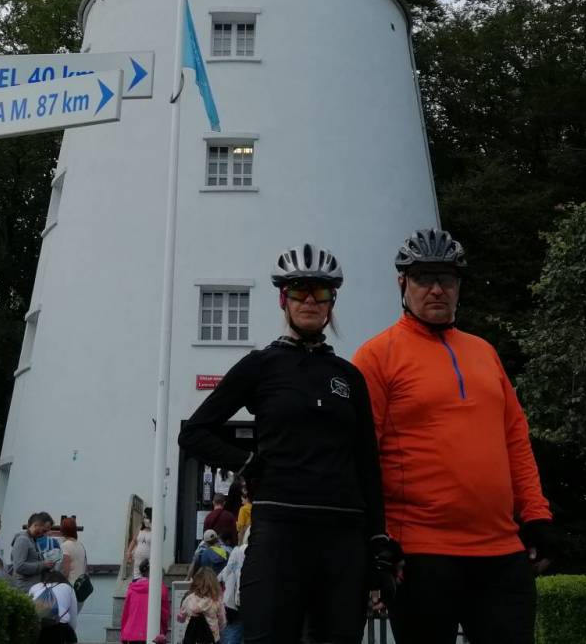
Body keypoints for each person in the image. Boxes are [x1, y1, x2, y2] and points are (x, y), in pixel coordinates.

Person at [179, 244, 391, 644]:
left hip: (343, 536)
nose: (310, 300)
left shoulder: (348, 376)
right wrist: (248, 463)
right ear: (283, 298)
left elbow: (367, 462)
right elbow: (194, 433)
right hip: (280, 531)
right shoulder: (261, 365)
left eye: (320, 291)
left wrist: (378, 539)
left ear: (332, 301)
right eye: (299, 290)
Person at [352, 229, 554, 644]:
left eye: (446, 278)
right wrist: (374, 538)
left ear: (459, 286)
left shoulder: (484, 352)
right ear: (402, 283)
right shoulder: (376, 356)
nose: (436, 289)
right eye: (424, 277)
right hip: (420, 550)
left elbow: (515, 440)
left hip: (501, 550)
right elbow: (360, 456)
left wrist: (536, 516)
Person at [120, 559, 171, 644]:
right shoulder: (161, 588)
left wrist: (123, 635)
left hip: (132, 634)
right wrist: (163, 631)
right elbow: (164, 614)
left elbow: (126, 613)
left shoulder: (132, 589)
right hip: (153, 633)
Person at [177, 566, 227, 644]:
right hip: (211, 639)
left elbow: (181, 619)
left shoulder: (188, 599)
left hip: (192, 639)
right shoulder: (216, 601)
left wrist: (183, 617)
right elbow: (222, 621)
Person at [30, 567, 81, 643]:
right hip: (59, 627)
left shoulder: (35, 587)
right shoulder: (67, 587)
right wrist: (71, 633)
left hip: (37, 625)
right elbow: (73, 616)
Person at [9, 513, 61, 587]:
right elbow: (19, 566)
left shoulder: (32, 540)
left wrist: (45, 558)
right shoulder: (22, 540)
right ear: (36, 525)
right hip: (23, 587)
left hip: (30, 586)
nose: (44, 534)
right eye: (44, 531)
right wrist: (43, 565)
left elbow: (31, 559)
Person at [217, 536, 246, 644]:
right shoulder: (243, 555)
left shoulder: (234, 556)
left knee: (231, 632)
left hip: (229, 603)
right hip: (238, 603)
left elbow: (220, 577)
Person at [131, 507, 153, 574]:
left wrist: (151, 526)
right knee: (137, 576)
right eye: (144, 517)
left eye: (147, 517)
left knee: (146, 576)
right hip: (138, 558)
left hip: (148, 560)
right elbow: (134, 540)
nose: (145, 519)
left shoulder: (155, 530)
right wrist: (129, 552)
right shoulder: (140, 527)